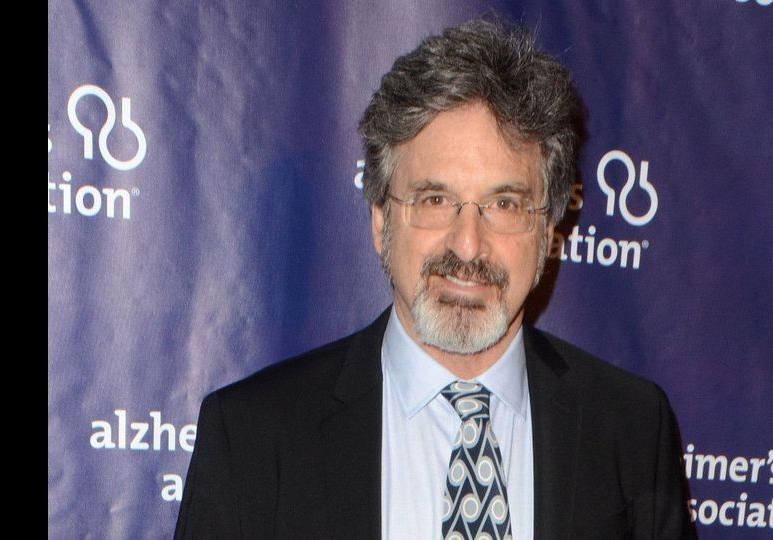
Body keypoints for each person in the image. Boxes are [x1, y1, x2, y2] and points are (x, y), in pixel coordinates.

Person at [175, 17, 696, 540]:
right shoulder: (252, 438)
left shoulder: (632, 429)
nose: (468, 245)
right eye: (435, 200)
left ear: (546, 231)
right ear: (381, 221)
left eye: (505, 204)